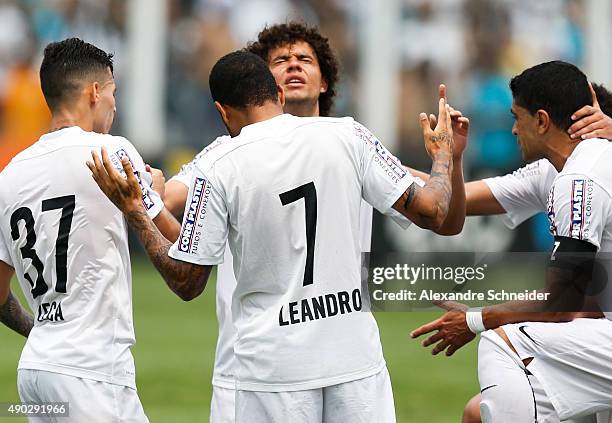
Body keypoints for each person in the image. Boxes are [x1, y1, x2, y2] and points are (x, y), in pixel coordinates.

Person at [88, 50, 464, 422]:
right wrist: (444, 155)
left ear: (222, 112)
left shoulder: (219, 166)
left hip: (273, 370)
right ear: (279, 96)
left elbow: (187, 280)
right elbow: (434, 210)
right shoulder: (349, 134)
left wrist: (137, 212)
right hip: (355, 361)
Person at [412, 61, 612, 422]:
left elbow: (562, 304)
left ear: (541, 120)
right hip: (602, 339)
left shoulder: (581, 178)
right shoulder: (558, 170)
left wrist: (475, 320)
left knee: (502, 344)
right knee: (479, 413)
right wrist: (448, 160)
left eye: (516, 116)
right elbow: (447, 203)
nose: (512, 128)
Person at [0, 38, 174, 422]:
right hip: (92, 369)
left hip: (37, 371)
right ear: (95, 91)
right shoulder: (110, 152)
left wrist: (45, 334)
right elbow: (180, 245)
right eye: (114, 91)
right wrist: (156, 196)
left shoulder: (9, 175)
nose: (115, 103)